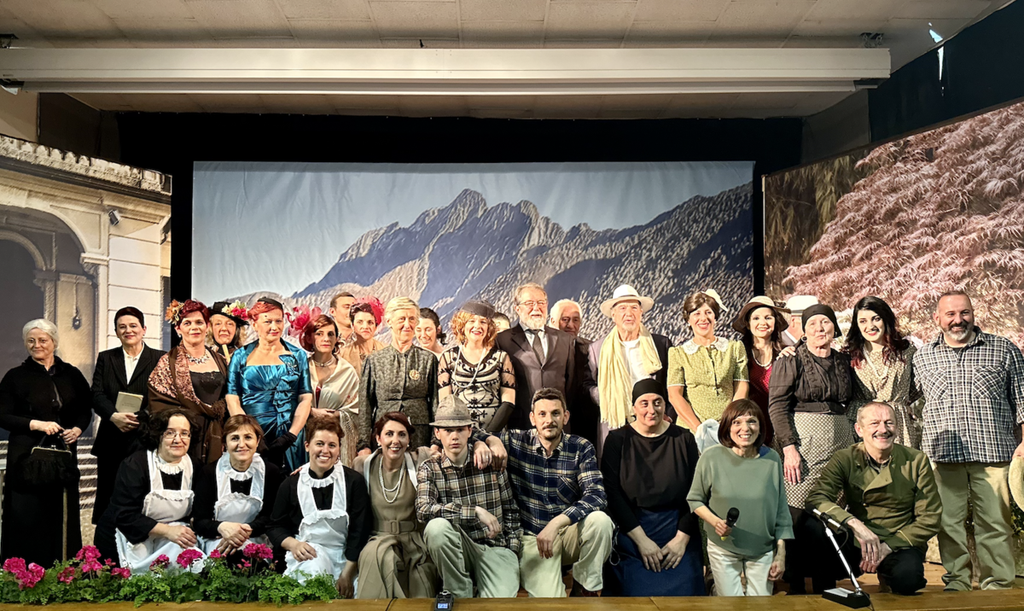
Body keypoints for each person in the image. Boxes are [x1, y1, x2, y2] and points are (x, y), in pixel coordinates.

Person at [912, 290, 1024, 591]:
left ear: (973, 314)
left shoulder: (1003, 349)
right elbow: (906, 400)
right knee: (948, 524)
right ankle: (957, 582)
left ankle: (997, 584)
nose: (958, 320)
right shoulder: (923, 357)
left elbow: (1023, 399)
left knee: (995, 523)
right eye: (950, 314)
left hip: (993, 453)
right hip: (943, 455)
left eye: (964, 312)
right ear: (937, 318)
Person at [806, 402, 940, 595]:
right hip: (857, 540)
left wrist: (888, 547)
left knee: (908, 580)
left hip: (898, 540)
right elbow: (817, 498)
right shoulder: (845, 458)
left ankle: (889, 576)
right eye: (874, 423)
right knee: (813, 526)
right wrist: (853, 524)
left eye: (889, 423)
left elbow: (930, 517)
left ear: (897, 427)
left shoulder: (916, 460)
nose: (883, 430)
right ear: (859, 429)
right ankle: (824, 595)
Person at [768, 303, 854, 594]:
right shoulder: (790, 359)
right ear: (803, 330)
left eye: (825, 322)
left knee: (830, 511)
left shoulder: (842, 360)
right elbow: (777, 406)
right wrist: (789, 448)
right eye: (813, 323)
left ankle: (826, 582)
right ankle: (795, 584)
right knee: (798, 511)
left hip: (839, 443)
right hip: (804, 443)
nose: (820, 328)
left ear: (834, 327)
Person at [503, 387, 613, 597]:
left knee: (601, 522)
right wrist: (489, 443)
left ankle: (585, 588)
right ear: (532, 418)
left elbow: (596, 495)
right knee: (552, 604)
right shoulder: (516, 441)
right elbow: (473, 434)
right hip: (533, 538)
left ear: (565, 416)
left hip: (567, 532)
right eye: (542, 414)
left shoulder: (580, 447)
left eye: (555, 413)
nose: (549, 420)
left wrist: (557, 523)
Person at [0, 319, 91, 566]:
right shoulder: (15, 376)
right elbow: (3, 415)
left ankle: (62, 569)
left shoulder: (71, 374)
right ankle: (24, 571)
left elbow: (85, 409)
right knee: (27, 514)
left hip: (62, 454)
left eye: (43, 340)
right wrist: (37, 424)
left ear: (54, 342)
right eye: (31, 341)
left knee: (60, 511)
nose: (36, 345)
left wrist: (78, 429)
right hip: (25, 455)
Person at [601, 379, 703, 596]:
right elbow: (612, 493)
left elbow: (697, 492)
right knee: (635, 595)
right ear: (634, 408)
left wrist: (681, 539)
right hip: (632, 529)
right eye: (644, 403)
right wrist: (642, 541)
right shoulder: (617, 440)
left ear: (665, 405)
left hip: (677, 527)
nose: (651, 409)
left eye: (657, 402)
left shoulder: (684, 439)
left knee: (687, 594)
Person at [416, 395, 522, 598]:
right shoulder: (429, 468)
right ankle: (459, 593)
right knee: (436, 528)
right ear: (437, 433)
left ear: (470, 431)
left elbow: (511, 510)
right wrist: (474, 512)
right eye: (448, 430)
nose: (454, 437)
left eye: (459, 429)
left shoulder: (490, 462)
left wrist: (512, 549)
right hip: (457, 548)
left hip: (494, 548)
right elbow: (423, 510)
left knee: (501, 604)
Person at [688, 399, 791, 597]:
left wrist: (781, 553)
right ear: (727, 427)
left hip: (762, 548)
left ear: (760, 427)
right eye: (737, 422)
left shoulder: (772, 459)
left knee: (761, 606)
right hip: (723, 548)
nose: (745, 428)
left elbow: (781, 510)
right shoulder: (711, 457)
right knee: (731, 606)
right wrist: (716, 522)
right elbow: (695, 500)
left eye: (752, 421)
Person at [267, 416, 371, 596]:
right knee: (313, 578)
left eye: (332, 445)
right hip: (309, 556)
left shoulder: (354, 481)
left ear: (339, 449)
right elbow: (275, 526)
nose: (325, 450)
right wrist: (293, 544)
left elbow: (360, 531)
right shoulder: (291, 484)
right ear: (307, 446)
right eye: (320, 444)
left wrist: (347, 574)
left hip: (348, 558)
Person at [94, 409, 203, 573]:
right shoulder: (135, 465)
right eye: (170, 433)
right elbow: (124, 515)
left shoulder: (196, 467)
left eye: (184, 433)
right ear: (158, 435)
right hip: (126, 537)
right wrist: (167, 531)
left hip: (171, 537)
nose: (178, 439)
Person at [91, 306, 165, 524]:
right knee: (108, 495)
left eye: (133, 326)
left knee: (141, 494)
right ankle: (106, 540)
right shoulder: (106, 358)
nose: (128, 330)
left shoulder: (159, 358)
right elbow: (96, 394)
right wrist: (114, 416)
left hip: (144, 436)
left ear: (144, 329)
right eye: (122, 327)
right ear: (116, 332)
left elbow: (162, 396)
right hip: (111, 437)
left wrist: (137, 418)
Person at [354, 412, 438, 598]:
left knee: (421, 589)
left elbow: (454, 450)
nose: (395, 441)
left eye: (402, 434)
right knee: (378, 558)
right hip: (378, 539)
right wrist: (307, 469)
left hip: (415, 543)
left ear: (409, 440)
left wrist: (485, 442)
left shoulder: (420, 459)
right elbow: (334, 473)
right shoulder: (363, 465)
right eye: (389, 434)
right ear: (378, 438)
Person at [227, 297, 313, 471]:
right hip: (251, 439)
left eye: (278, 321)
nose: (274, 327)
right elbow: (232, 399)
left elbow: (305, 398)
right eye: (268, 322)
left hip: (290, 435)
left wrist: (291, 436)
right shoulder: (240, 356)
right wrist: (248, 435)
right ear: (254, 324)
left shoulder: (298, 356)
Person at [585, 285, 672, 453]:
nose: (629, 313)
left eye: (634, 308)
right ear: (613, 315)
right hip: (616, 423)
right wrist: (608, 396)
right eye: (622, 308)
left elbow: (673, 383)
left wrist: (667, 414)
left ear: (641, 313)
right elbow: (588, 385)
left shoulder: (660, 344)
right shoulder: (597, 349)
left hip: (655, 420)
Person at [149, 299, 229, 465]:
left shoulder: (221, 361)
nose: (194, 327)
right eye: (187, 323)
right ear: (178, 329)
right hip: (185, 437)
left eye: (199, 322)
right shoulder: (167, 363)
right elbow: (159, 403)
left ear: (207, 326)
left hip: (218, 434)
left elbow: (230, 397)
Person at [192, 414, 285, 557]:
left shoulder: (271, 472)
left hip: (256, 537)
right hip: (217, 539)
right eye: (235, 438)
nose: (241, 444)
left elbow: (272, 517)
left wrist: (243, 531)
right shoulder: (209, 472)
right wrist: (222, 527)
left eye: (248, 437)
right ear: (225, 443)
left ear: (257, 440)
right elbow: (200, 521)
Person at [497, 283, 583, 432]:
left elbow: (571, 384)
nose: (536, 308)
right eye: (529, 303)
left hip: (558, 427)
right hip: (520, 427)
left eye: (541, 303)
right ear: (517, 308)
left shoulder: (564, 340)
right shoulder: (502, 340)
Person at [357, 297, 438, 452]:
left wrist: (436, 442)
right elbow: (365, 406)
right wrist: (364, 445)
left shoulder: (428, 359)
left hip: (420, 437)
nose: (407, 325)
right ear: (389, 322)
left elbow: (435, 403)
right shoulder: (374, 361)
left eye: (412, 319)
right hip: (384, 436)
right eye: (402, 319)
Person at [668, 290, 749, 436]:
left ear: (715, 317)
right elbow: (675, 395)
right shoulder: (678, 353)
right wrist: (700, 429)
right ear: (688, 320)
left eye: (708, 312)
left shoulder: (734, 348)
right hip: (691, 431)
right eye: (697, 313)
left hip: (728, 428)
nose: (703, 318)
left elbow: (741, 387)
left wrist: (729, 422)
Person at [845, 296, 921, 448]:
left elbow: (917, 385)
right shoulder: (849, 355)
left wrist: (902, 403)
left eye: (876, 319)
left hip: (897, 423)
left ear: (886, 319)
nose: (870, 326)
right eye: (863, 321)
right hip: (862, 424)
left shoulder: (906, 352)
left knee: (900, 462)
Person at [438, 300, 516, 433]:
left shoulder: (501, 358)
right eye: (471, 321)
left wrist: (488, 435)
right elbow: (445, 403)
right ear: (462, 324)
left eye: (483, 322)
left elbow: (508, 402)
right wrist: (461, 432)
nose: (477, 326)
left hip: (495, 434)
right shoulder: (448, 358)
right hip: (459, 434)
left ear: (489, 327)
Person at [302, 314, 360, 467]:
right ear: (310, 338)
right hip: (303, 440)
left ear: (336, 339)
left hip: (334, 440)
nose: (326, 339)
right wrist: (311, 412)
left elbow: (357, 410)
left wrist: (337, 415)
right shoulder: (301, 369)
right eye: (319, 334)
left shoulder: (347, 371)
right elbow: (289, 403)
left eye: (330, 334)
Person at [732, 296, 790, 447]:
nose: (763, 323)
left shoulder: (786, 352)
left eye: (768, 317)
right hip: (750, 424)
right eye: (756, 318)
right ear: (748, 323)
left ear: (775, 322)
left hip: (781, 422)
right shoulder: (739, 353)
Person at [338, 297, 387, 375]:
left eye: (370, 322)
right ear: (353, 326)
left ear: (376, 326)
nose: (365, 326)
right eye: (360, 322)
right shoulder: (343, 356)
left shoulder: (387, 351)